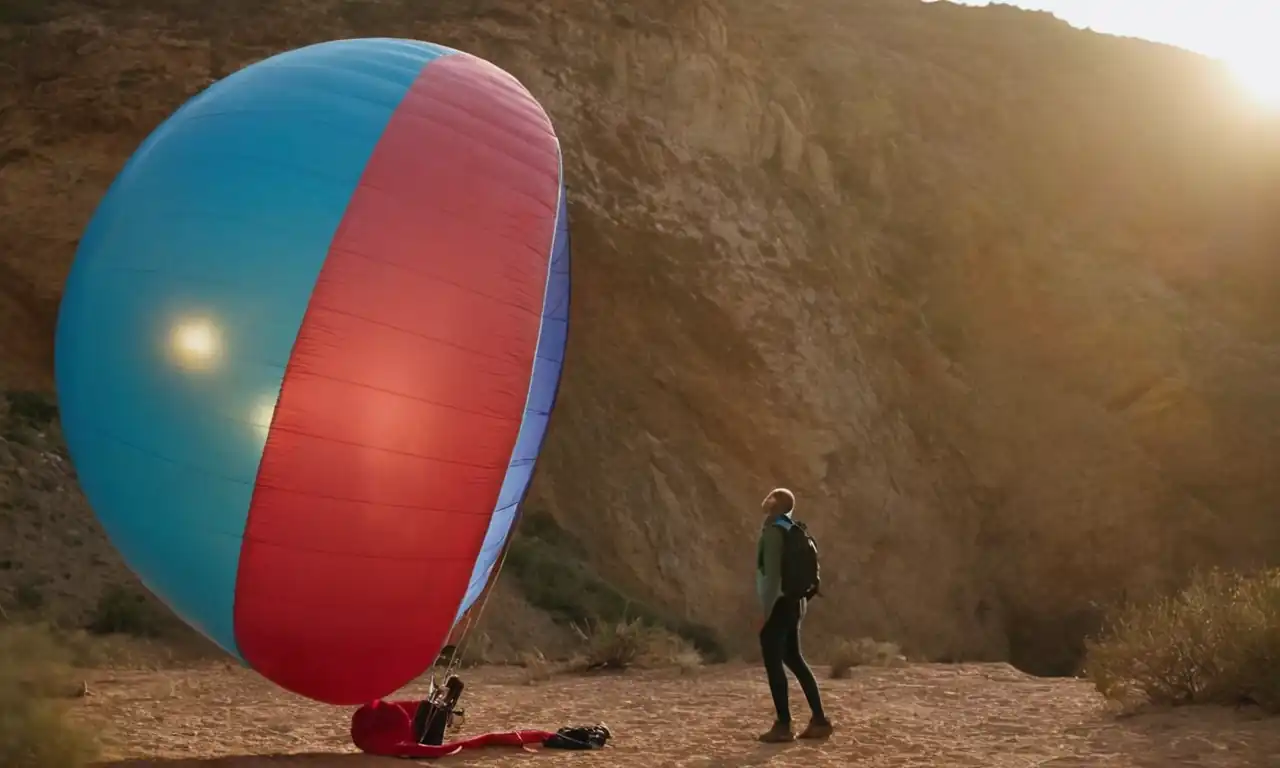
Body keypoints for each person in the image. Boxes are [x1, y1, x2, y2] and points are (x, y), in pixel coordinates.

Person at [755, 487, 833, 743]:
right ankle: (819, 720)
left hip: (779, 603)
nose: (766, 498)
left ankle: (783, 725)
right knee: (794, 659)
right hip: (797, 602)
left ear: (777, 504)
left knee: (774, 661)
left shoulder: (773, 532)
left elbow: (771, 578)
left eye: (772, 496)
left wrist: (765, 613)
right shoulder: (795, 530)